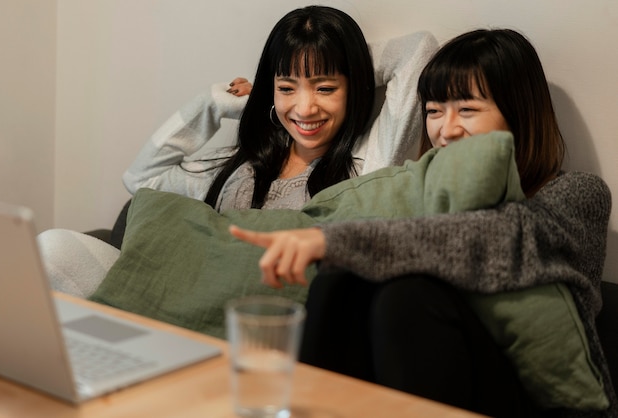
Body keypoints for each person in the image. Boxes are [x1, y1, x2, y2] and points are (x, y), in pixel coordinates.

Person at [230, 29, 616, 417]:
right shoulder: (426, 190)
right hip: (443, 375)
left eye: (467, 110)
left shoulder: (580, 194)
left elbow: (499, 239)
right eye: (434, 111)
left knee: (409, 297)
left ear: (519, 113)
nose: (445, 130)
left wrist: (331, 241)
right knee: (340, 282)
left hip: (540, 397)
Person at [37, 6, 438, 298]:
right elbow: (141, 181)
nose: (304, 107)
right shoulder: (246, 164)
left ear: (355, 89)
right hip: (186, 291)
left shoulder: (371, 163)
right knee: (52, 247)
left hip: (259, 319)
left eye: (325, 87)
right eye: (286, 87)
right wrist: (217, 104)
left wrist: (335, 52)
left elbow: (418, 50)